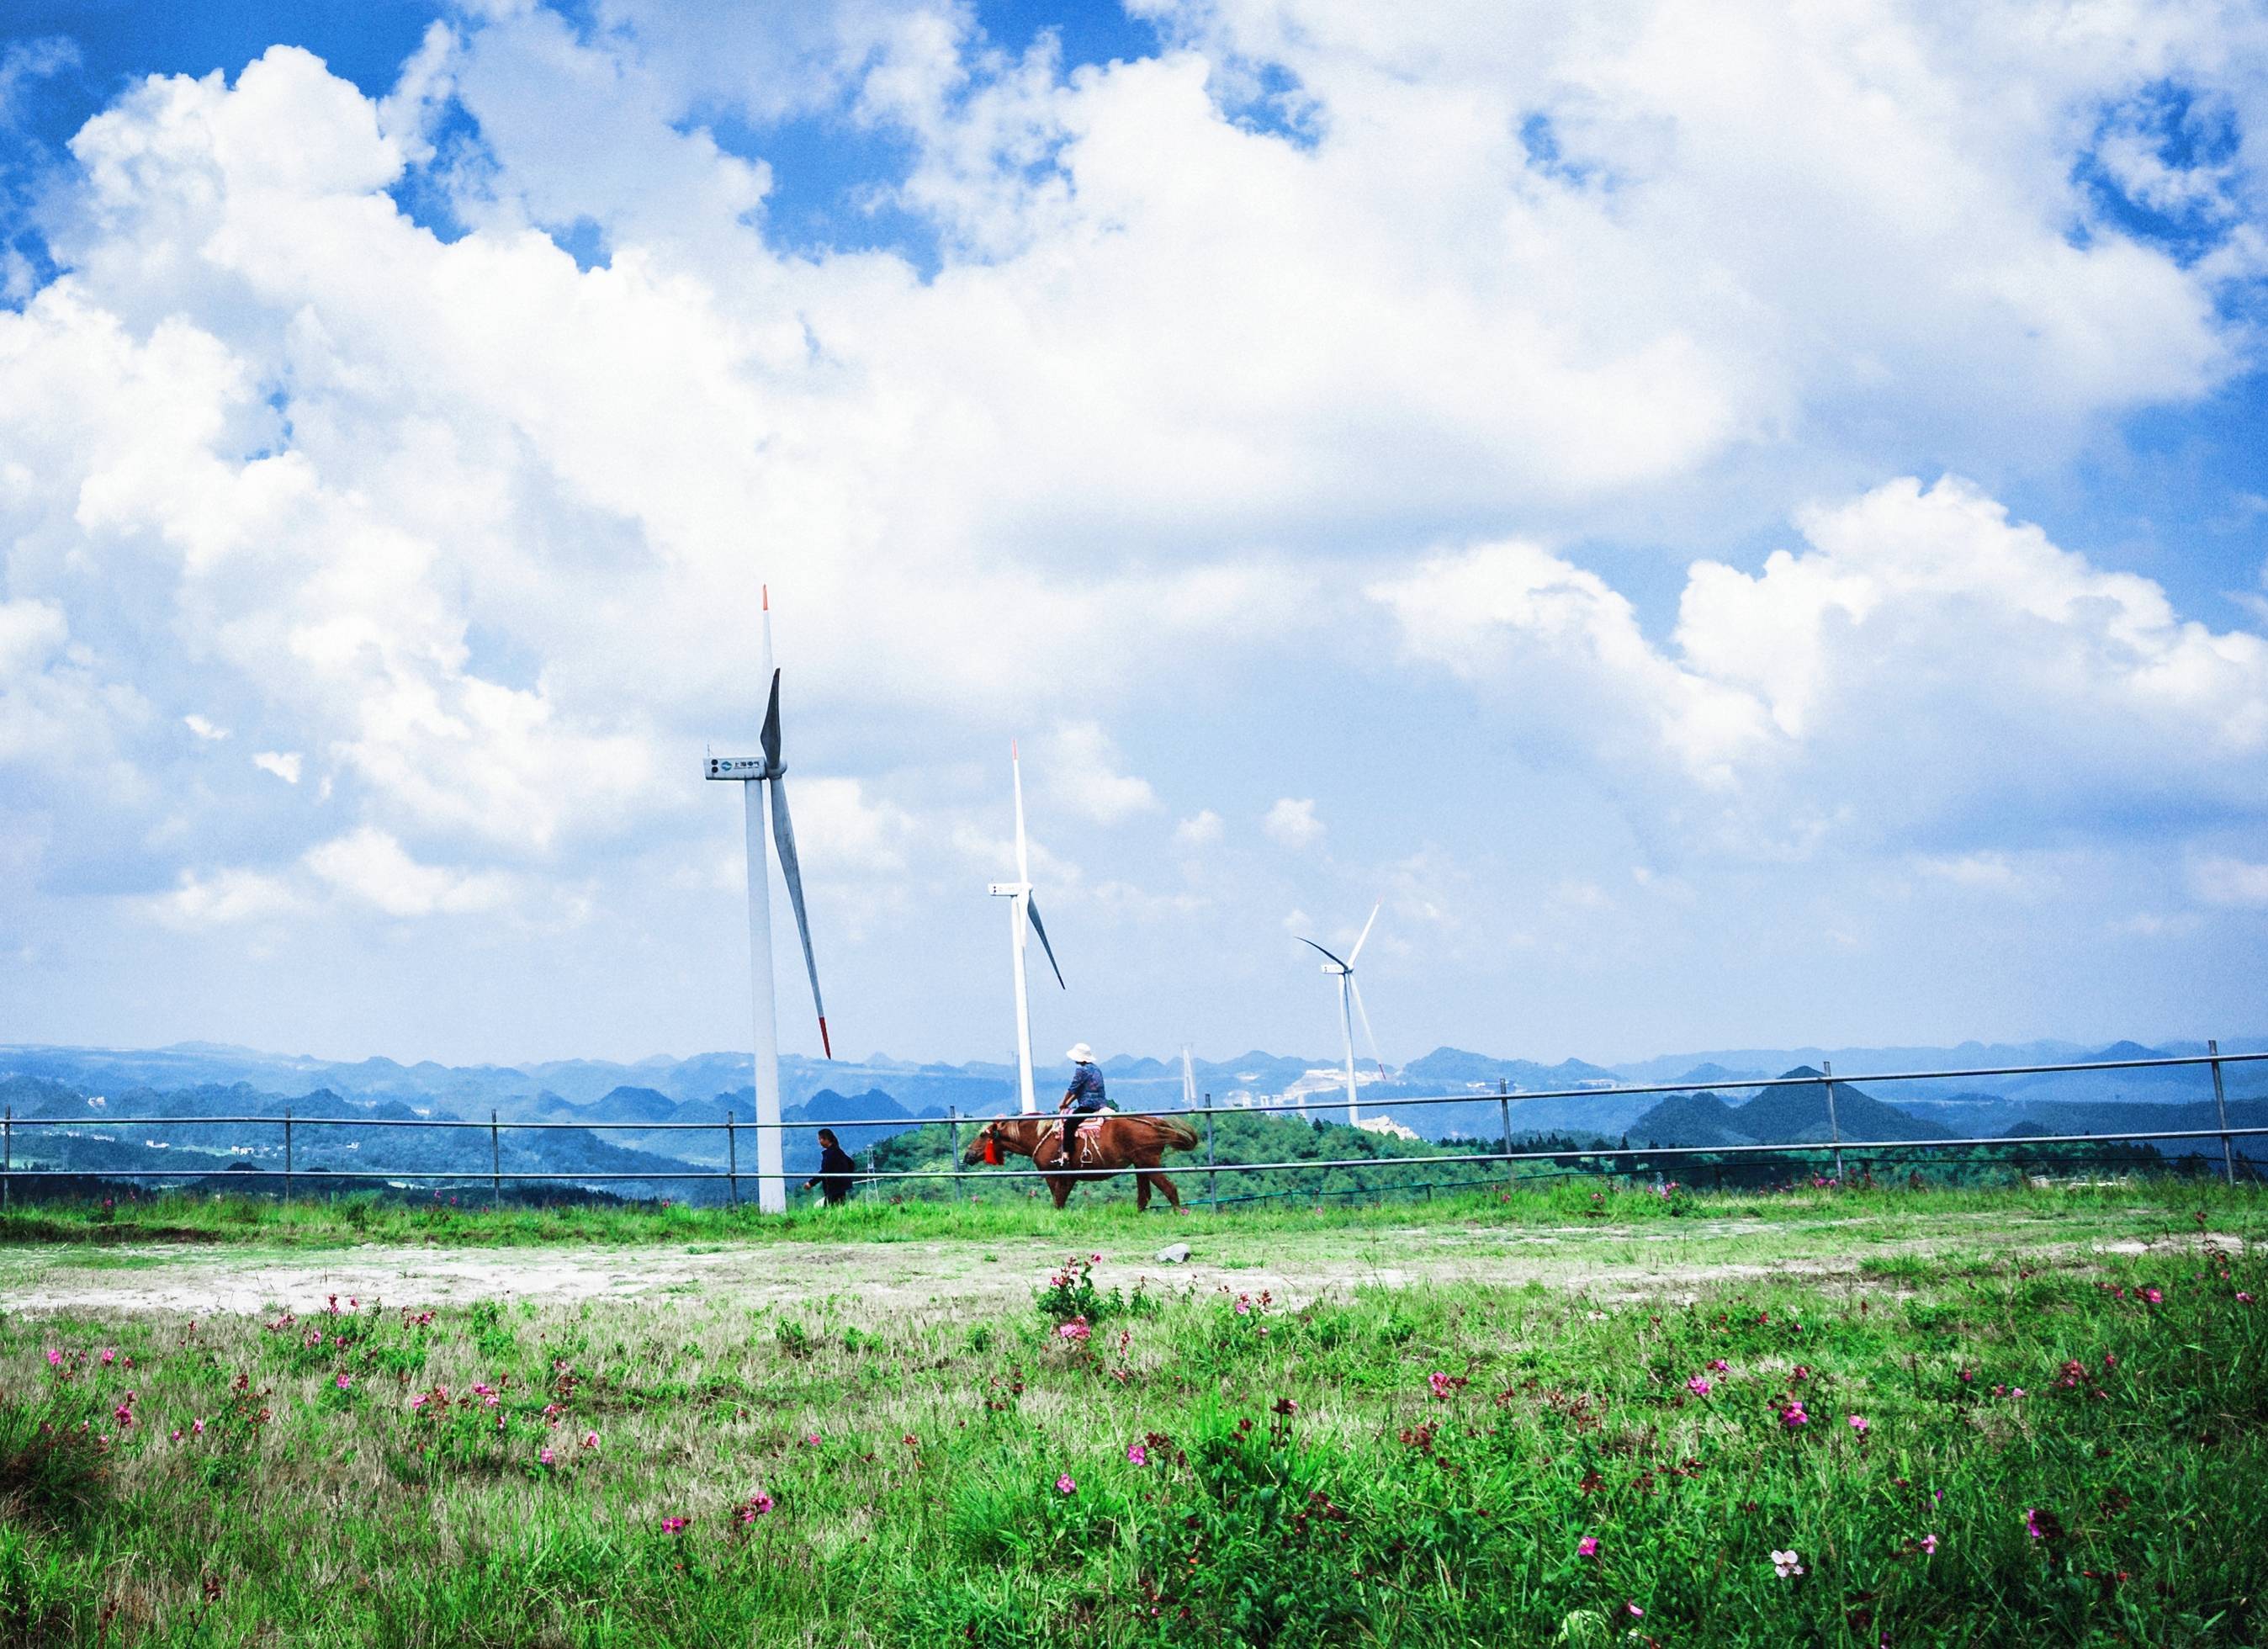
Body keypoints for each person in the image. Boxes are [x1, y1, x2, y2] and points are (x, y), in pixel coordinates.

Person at [1056, 1043, 1110, 1169]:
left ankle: (1066, 1155)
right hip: (1100, 1103)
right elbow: (1079, 1090)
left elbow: (1073, 1089)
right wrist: (1067, 1104)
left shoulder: (1081, 1070)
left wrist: (1062, 1102)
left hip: (1088, 1105)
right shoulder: (1096, 1069)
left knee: (1069, 1125)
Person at [803, 1127, 857, 1205]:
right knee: (839, 1208)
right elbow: (851, 1163)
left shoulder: (831, 1154)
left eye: (820, 1139)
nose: (819, 1142)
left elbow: (825, 1171)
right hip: (840, 1188)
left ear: (826, 1139)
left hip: (833, 1188)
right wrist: (845, 1177)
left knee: (830, 1208)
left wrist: (811, 1183)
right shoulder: (838, 1151)